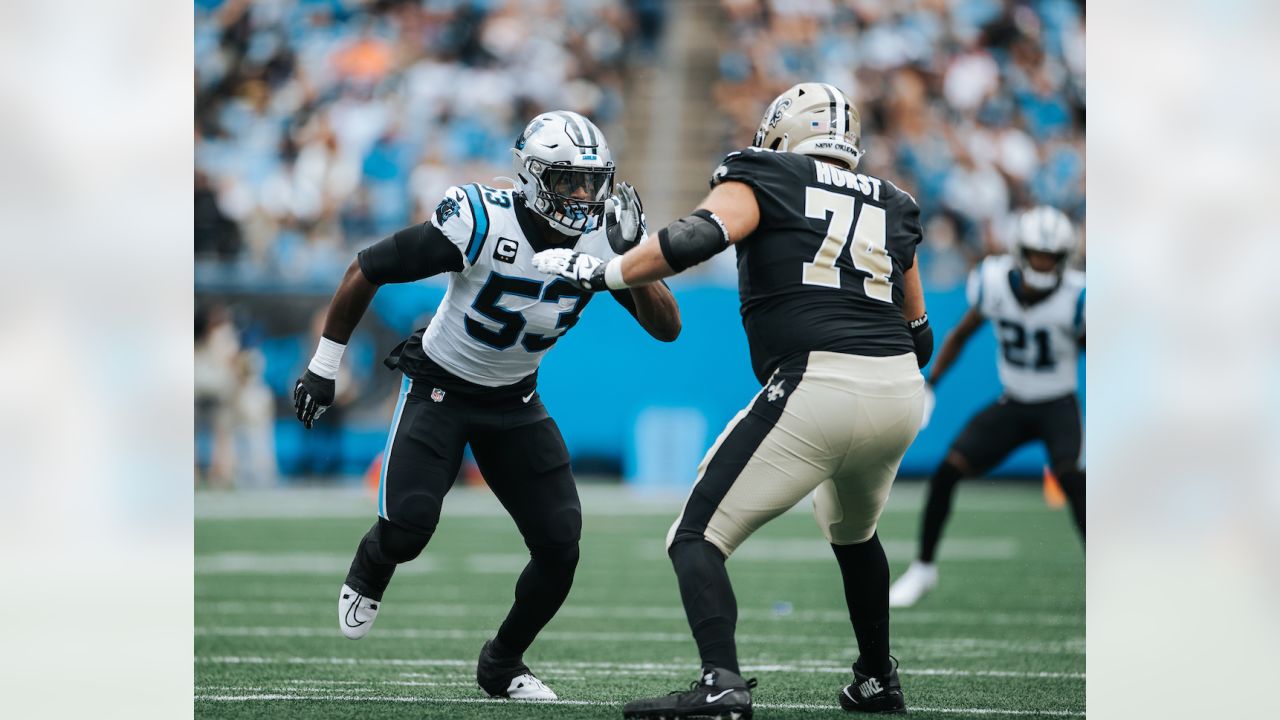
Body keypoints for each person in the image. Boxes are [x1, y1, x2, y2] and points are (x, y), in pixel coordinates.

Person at [534, 83, 934, 717]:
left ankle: (721, 684)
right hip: (900, 393)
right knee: (855, 535)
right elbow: (921, 335)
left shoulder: (765, 172)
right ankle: (877, 677)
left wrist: (605, 271)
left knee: (694, 535)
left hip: (817, 383)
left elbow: (700, 236)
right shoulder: (897, 203)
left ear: (784, 132)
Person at [291, 110, 681, 701]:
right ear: (528, 176)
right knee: (407, 531)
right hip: (441, 387)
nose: (581, 196)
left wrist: (629, 266)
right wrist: (324, 367)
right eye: (565, 180)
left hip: (516, 400)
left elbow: (667, 327)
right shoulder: (479, 219)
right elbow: (367, 267)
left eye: (590, 181)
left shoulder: (606, 236)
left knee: (560, 546)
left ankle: (502, 663)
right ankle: (373, 562)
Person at [888, 205, 1085, 608]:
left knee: (1074, 482)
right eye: (1038, 254)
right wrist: (932, 385)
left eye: (1051, 256)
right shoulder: (994, 282)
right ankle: (923, 568)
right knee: (947, 471)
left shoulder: (1078, 296)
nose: (1044, 263)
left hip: (1057, 405)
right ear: (1020, 252)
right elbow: (961, 335)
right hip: (1013, 404)